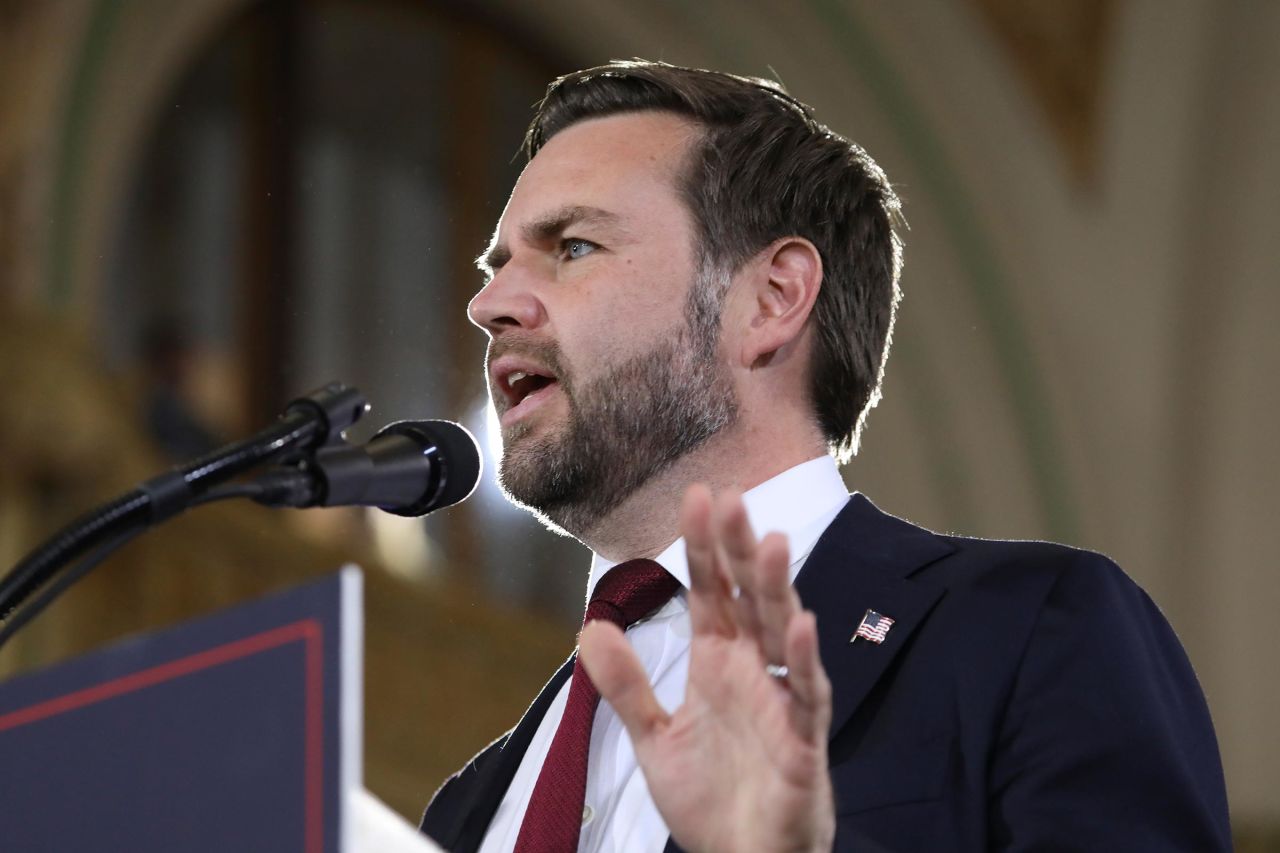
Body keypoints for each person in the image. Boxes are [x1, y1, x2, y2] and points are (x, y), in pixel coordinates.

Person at [419, 60, 1230, 852]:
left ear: (772, 300)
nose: (489, 304)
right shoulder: (472, 803)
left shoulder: (1028, 633)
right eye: (498, 267)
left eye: (573, 245)